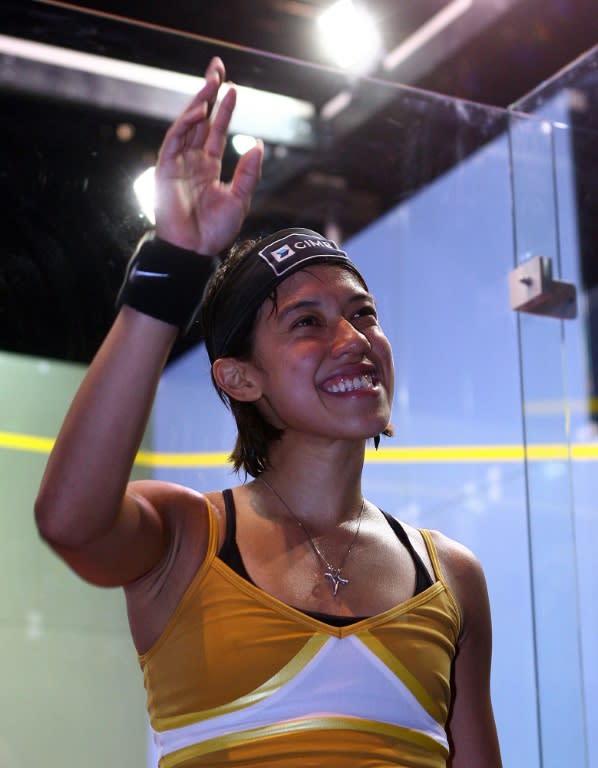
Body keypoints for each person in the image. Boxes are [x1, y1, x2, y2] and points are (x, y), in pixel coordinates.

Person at [35, 56, 503, 768]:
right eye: (308, 323)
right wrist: (175, 263)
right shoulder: (185, 537)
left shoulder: (452, 575)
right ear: (240, 378)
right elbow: (68, 521)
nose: (354, 340)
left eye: (363, 313)